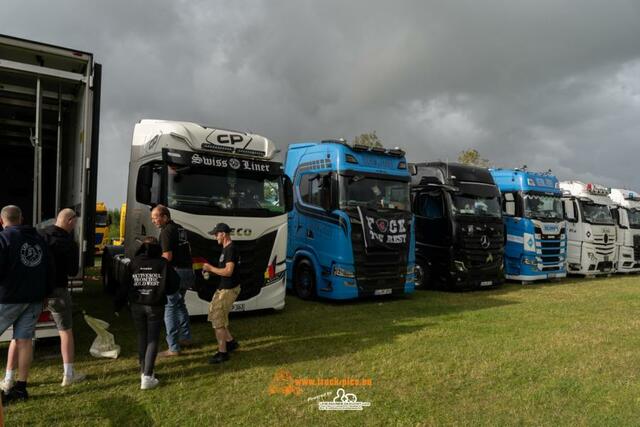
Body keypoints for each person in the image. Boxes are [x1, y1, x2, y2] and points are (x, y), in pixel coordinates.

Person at [2, 208, 85, 389]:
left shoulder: (39, 236)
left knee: (19, 338)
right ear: (70, 221)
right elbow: (72, 271)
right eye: (75, 222)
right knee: (65, 331)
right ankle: (68, 374)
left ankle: (8, 377)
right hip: (57, 291)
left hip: (34, 290)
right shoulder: (70, 243)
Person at [0, 205, 53, 404]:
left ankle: (12, 384)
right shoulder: (39, 239)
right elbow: (49, 268)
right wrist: (46, 293)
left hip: (8, 298)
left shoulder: (3, 239)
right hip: (34, 298)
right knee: (24, 341)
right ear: (21, 219)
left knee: (22, 341)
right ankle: (21, 388)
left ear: (2, 221)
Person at [115, 236, 179, 389]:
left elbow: (124, 285)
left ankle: (144, 371)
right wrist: (162, 291)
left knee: (142, 337)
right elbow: (175, 284)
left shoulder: (134, 263)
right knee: (152, 339)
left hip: (137, 305)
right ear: (157, 248)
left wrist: (118, 305)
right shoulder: (163, 264)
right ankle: (148, 376)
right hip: (155, 306)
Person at [150, 205, 193, 357]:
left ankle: (173, 347)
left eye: (156, 217)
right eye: (152, 218)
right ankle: (186, 338)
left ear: (165, 217)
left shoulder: (166, 231)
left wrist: (156, 268)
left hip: (175, 272)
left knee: (170, 307)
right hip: (187, 271)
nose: (154, 221)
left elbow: (167, 256)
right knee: (180, 305)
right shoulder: (180, 228)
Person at [202, 223, 241, 364]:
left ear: (223, 234)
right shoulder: (226, 249)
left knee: (218, 320)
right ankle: (230, 343)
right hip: (224, 288)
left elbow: (228, 271)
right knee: (216, 315)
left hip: (228, 289)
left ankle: (222, 353)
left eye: (216, 234)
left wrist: (210, 268)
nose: (215, 236)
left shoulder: (230, 249)